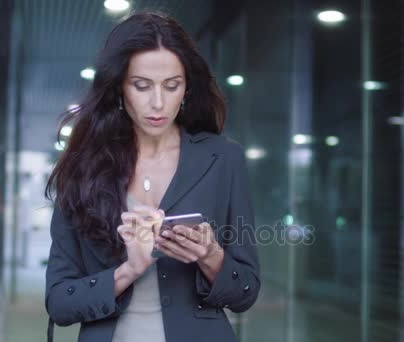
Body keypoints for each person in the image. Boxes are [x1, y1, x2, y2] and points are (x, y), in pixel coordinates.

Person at [44, 11, 260, 342]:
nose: (158, 103)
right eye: (141, 86)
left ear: (187, 87)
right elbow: (59, 302)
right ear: (119, 88)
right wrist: (129, 269)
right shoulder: (83, 165)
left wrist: (210, 256)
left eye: (172, 86)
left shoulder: (223, 159)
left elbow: (246, 292)